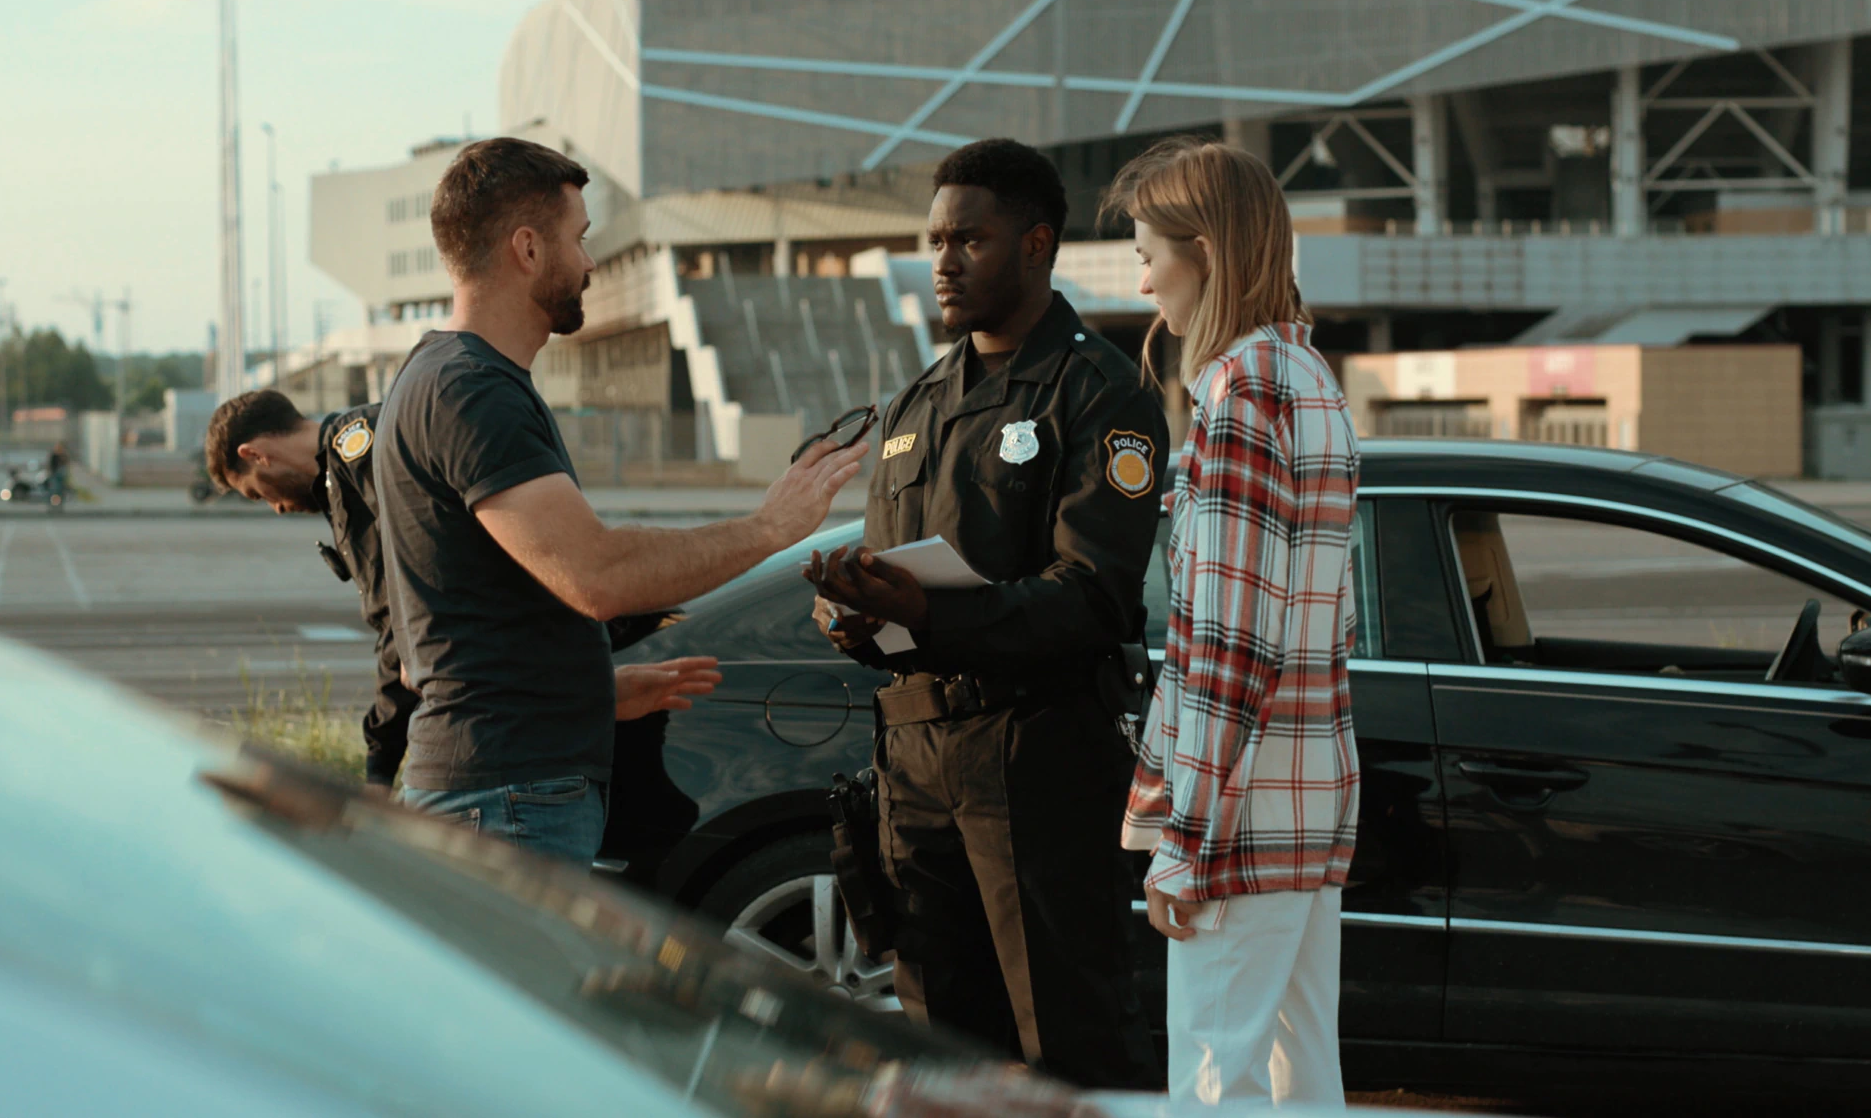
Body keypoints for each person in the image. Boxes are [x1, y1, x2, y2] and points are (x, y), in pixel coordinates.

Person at [373, 137, 864, 866]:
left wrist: (590, 691)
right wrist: (769, 528)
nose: (591, 262)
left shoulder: (448, 376)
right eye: (580, 238)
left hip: (502, 788)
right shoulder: (470, 391)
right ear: (529, 249)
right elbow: (595, 574)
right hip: (503, 800)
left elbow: (475, 616)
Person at [805, 138, 1163, 1090]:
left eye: (970, 238)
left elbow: (1094, 595)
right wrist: (857, 617)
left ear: (1037, 243)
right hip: (914, 761)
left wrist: (930, 611)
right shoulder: (917, 403)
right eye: (935, 241)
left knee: (1066, 1052)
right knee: (938, 1059)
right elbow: (895, 583)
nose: (944, 261)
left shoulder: (1100, 391)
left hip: (1035, 759)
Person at [1108, 137, 1361, 1108]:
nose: (1141, 285)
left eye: (1145, 255)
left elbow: (1227, 645)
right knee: (1302, 1085)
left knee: (1215, 1086)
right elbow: (1316, 626)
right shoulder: (1309, 382)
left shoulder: (1238, 393)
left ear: (1202, 251)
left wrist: (1187, 841)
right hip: (1306, 794)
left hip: (1243, 812)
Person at [203, 388, 724, 793]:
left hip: (537, 695)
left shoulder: (352, 469)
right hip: (580, 654)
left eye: (255, 492)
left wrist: (379, 766)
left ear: (257, 454)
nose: (273, 506)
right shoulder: (375, 429)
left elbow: (399, 624)